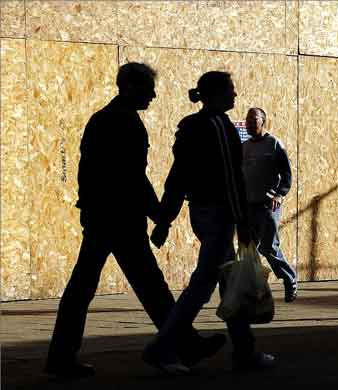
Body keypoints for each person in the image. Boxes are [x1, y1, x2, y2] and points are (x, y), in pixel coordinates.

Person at [45, 63, 222, 379]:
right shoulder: (126, 124)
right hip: (119, 218)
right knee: (148, 285)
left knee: (89, 287)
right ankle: (184, 344)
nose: (153, 95)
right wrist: (160, 216)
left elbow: (92, 173)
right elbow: (133, 178)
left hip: (103, 216)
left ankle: (61, 357)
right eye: (147, 89)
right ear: (129, 87)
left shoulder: (103, 120)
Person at [143, 71, 275, 374]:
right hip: (221, 215)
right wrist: (242, 221)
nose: (235, 96)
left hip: (202, 212)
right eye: (231, 90)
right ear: (215, 95)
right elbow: (232, 181)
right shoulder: (218, 127)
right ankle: (161, 348)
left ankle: (245, 350)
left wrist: (165, 219)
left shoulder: (192, 127)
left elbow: (178, 177)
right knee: (203, 286)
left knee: (231, 282)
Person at [242, 107, 298, 302]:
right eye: (247, 120)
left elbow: (287, 175)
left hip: (267, 207)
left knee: (268, 248)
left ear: (263, 121)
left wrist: (279, 195)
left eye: (253, 119)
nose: (249, 123)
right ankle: (255, 292)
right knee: (248, 250)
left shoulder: (274, 144)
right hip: (248, 206)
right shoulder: (245, 147)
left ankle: (289, 278)